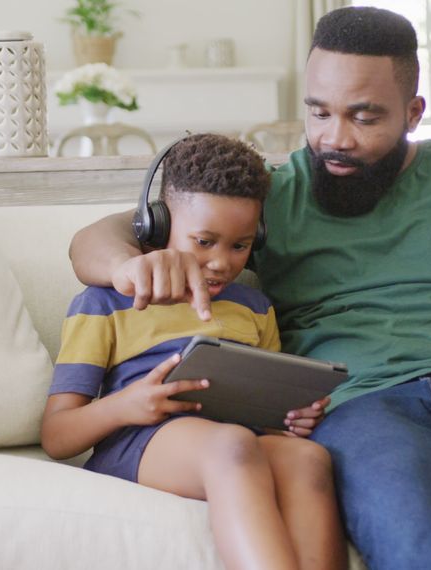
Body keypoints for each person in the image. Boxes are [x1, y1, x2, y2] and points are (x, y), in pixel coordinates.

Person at [68, 8, 431, 570]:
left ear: (413, 111)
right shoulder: (273, 195)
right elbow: (99, 239)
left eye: (364, 115)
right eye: (319, 112)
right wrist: (128, 263)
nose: (335, 138)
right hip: (357, 408)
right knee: (420, 511)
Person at [41, 133, 347, 570]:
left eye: (239, 245)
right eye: (204, 241)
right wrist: (126, 406)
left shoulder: (255, 308)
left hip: (235, 438)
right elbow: (57, 436)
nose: (222, 261)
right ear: (159, 226)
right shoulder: (104, 302)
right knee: (232, 445)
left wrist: (291, 420)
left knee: (308, 457)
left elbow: (269, 420)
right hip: (142, 442)